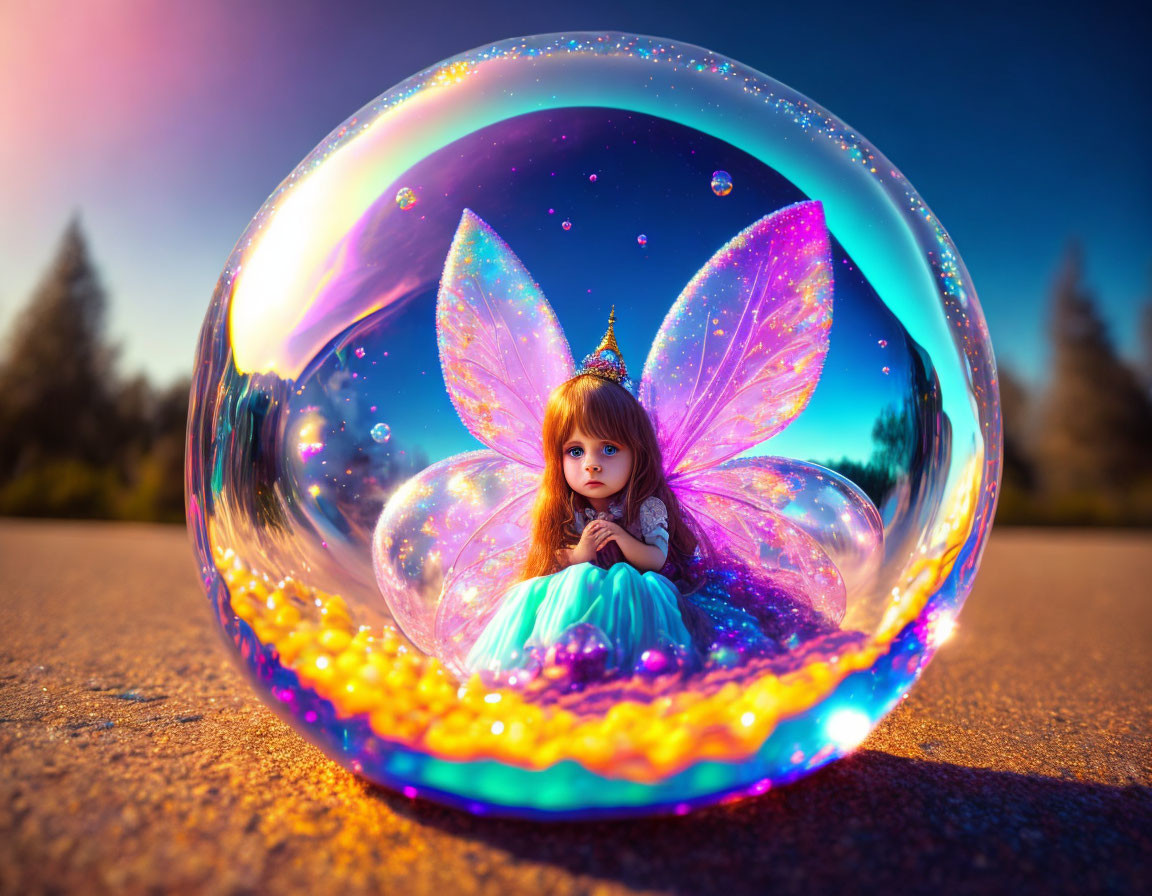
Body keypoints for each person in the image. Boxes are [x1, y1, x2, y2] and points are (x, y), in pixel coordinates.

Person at [463, 312, 706, 681]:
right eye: (575, 451)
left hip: (635, 595)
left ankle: (623, 670)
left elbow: (655, 560)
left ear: (637, 453)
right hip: (574, 598)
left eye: (609, 449)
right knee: (562, 584)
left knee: (623, 582)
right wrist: (581, 554)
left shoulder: (645, 507)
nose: (591, 465)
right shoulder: (567, 509)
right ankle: (550, 665)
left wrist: (622, 537)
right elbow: (555, 555)